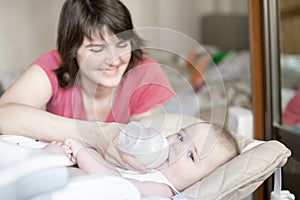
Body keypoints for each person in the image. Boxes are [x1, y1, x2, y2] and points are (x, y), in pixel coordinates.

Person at [0, 0, 174, 170]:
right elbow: (4, 114)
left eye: (122, 44)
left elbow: (149, 146)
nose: (113, 60)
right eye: (97, 49)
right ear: (73, 49)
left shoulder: (144, 73)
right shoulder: (55, 65)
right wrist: (94, 134)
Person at [44, 122, 239, 198]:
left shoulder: (162, 188)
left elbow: (115, 182)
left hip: (94, 189)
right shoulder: (150, 161)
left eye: (191, 155)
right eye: (180, 137)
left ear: (200, 180)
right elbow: (109, 161)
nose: (177, 146)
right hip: (86, 175)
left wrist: (82, 153)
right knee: (55, 153)